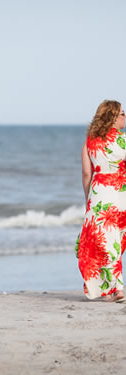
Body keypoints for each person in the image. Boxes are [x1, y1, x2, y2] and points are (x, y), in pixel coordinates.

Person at [75, 100, 126, 302]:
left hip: (100, 195)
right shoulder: (123, 141)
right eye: (122, 114)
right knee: (115, 241)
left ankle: (116, 288)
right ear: (112, 117)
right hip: (122, 195)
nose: (125, 117)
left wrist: (88, 197)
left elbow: (86, 173)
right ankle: (115, 288)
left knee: (98, 242)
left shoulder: (90, 141)